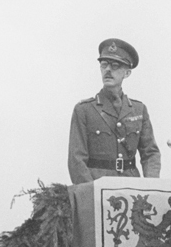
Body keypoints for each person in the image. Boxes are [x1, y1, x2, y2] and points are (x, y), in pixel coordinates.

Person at [68, 38, 161, 184]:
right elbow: (76, 159)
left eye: (115, 66)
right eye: (104, 65)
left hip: (132, 187)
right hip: (97, 185)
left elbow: (150, 153)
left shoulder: (138, 110)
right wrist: (90, 193)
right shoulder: (84, 110)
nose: (108, 70)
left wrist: (150, 186)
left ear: (127, 73)